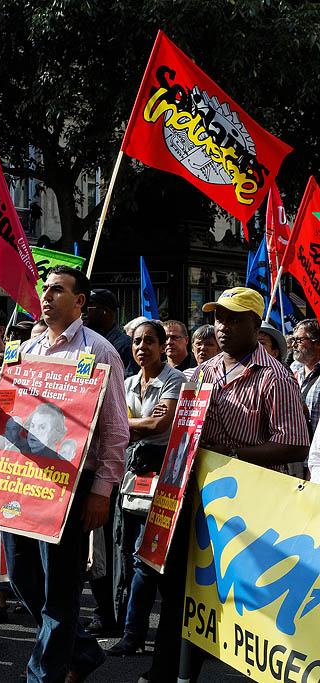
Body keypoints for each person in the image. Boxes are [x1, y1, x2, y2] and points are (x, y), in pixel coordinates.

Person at [0, 266, 128, 682]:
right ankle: (82, 651)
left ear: (80, 302)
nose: (46, 296)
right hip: (20, 480)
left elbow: (115, 430)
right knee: (24, 582)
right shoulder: (25, 350)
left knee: (60, 592)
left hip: (69, 487)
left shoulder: (100, 352)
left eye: (58, 290)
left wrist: (102, 490)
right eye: (44, 289)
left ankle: (42, 675)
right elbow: (2, 413)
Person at [145, 287, 309, 683]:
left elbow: (294, 441)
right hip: (195, 499)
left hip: (246, 509)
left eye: (234, 319)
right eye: (219, 318)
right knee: (181, 591)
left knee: (242, 602)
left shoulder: (275, 376)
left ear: (256, 325)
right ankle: (169, 671)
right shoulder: (202, 372)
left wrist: (234, 456)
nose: (222, 327)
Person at [108, 319, 182, 657]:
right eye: (137, 341)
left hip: (164, 481)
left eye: (149, 341)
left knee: (145, 558)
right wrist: (131, 429)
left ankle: (134, 633)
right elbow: (112, 424)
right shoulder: (127, 382)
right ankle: (154, 630)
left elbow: (157, 424)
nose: (142, 348)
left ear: (163, 345)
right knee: (132, 555)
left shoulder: (176, 380)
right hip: (130, 479)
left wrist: (126, 427)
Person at [84, 289, 137, 376]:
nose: (83, 312)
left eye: (88, 307)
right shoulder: (86, 344)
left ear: (106, 312)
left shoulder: (125, 346)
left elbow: (128, 385)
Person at [292, 319, 320, 437]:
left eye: (299, 340)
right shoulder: (292, 369)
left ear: (317, 343)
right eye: (293, 340)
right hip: (295, 451)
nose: (293, 344)